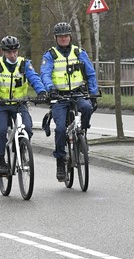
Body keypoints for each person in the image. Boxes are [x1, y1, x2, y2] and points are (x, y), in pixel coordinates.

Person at [40, 22, 99, 182]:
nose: (64, 38)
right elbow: (45, 74)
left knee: (86, 108)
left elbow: (91, 73)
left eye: (66, 36)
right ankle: (60, 161)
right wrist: (50, 88)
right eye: (60, 36)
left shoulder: (79, 52)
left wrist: (93, 93)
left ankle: (82, 137)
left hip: (78, 93)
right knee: (60, 129)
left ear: (70, 36)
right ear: (56, 38)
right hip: (59, 97)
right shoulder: (50, 55)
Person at [0, 36, 47, 176]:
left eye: (15, 52)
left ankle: (21, 148)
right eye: (9, 52)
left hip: (20, 104)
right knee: (0, 130)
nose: (13, 55)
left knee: (28, 128)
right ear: (3, 52)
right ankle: (0, 160)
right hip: (1, 104)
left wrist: (41, 91)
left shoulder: (24, 64)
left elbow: (34, 78)